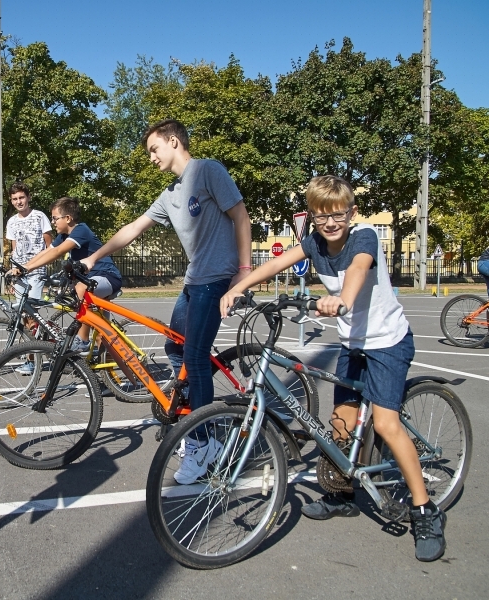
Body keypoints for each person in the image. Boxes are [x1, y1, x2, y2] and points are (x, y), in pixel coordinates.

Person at [220, 175, 447, 562]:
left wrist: (342, 297)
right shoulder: (314, 243)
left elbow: (358, 269)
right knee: (341, 422)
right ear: (312, 216)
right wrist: (239, 286)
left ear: (351, 212)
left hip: (387, 343)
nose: (330, 222)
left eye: (338, 214)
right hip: (354, 345)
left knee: (385, 424)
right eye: (322, 215)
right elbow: (277, 262)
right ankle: (342, 496)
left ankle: (425, 510)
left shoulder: (365, 238)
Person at [81, 119, 252, 485]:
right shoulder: (170, 194)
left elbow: (240, 215)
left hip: (216, 278)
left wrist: (243, 270)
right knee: (175, 346)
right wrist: (93, 258)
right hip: (194, 281)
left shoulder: (207, 171)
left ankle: (203, 442)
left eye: (153, 149)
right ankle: (194, 413)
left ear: (173, 142)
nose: (151, 158)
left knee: (193, 356)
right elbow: (132, 229)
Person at [15, 196, 122, 358]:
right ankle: (107, 373)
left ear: (68, 218)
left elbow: (58, 252)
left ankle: (82, 339)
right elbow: (48, 251)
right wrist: (23, 267)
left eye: (55, 218)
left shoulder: (81, 230)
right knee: (103, 335)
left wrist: (28, 268)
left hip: (107, 277)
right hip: (92, 281)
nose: (53, 222)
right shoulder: (64, 236)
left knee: (80, 291)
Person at [5, 182, 52, 301]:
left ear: (28, 197)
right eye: (14, 199)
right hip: (18, 272)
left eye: (21, 197)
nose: (18, 202)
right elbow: (15, 250)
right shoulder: (11, 221)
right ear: (11, 201)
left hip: (36, 270)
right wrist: (12, 274)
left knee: (31, 311)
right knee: (22, 312)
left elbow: (49, 245)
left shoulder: (39, 216)